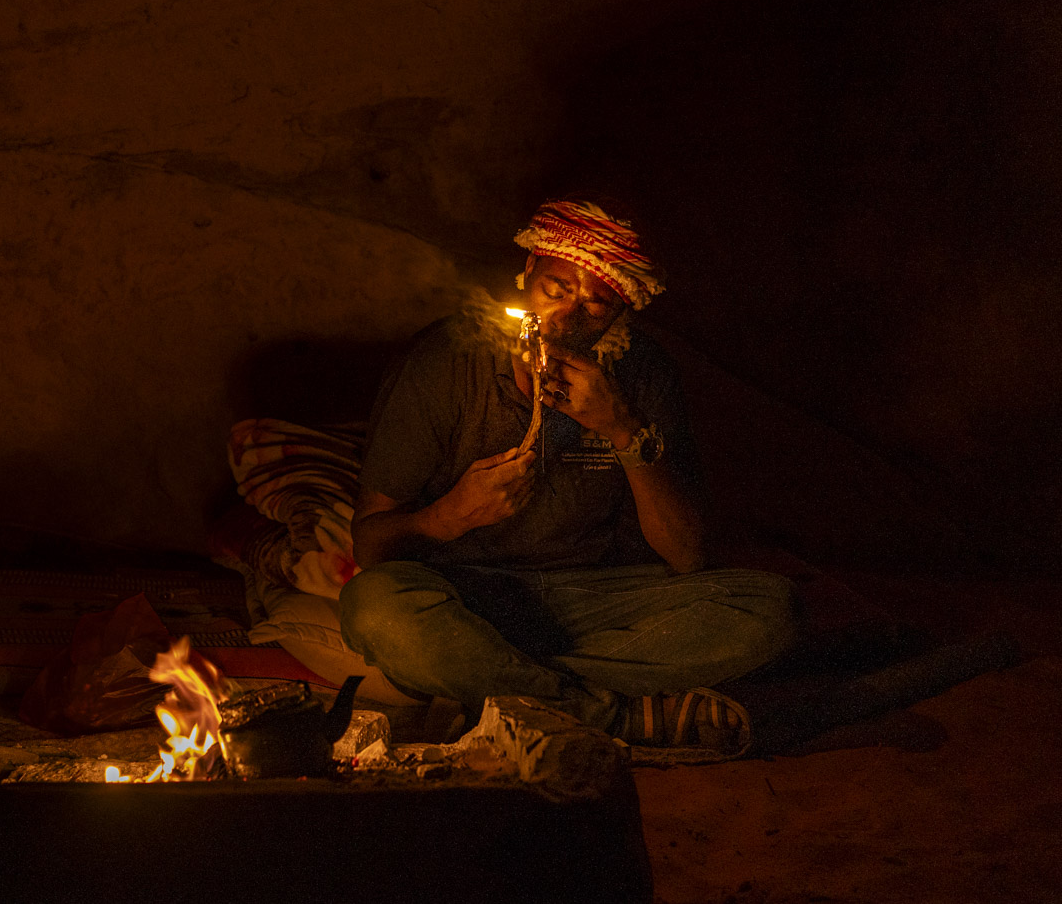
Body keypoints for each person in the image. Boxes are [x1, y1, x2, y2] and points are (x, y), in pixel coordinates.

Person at [338, 197, 796, 762]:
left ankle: (493, 688)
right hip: (467, 598)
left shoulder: (641, 371)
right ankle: (613, 716)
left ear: (621, 311)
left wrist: (622, 428)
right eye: (554, 290)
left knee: (770, 607)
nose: (566, 318)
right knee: (374, 606)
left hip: (593, 597)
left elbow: (686, 554)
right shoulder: (446, 361)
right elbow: (371, 547)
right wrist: (451, 515)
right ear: (528, 270)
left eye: (596, 304)